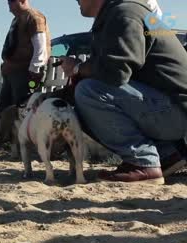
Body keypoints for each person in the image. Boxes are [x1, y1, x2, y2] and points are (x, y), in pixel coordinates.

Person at [60, 0, 187, 184]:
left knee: (89, 92)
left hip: (177, 112)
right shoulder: (120, 13)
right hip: (173, 108)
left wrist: (77, 68)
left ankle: (143, 163)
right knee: (84, 95)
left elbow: (115, 72)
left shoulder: (124, 13)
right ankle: (168, 154)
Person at [0, 0, 51, 114]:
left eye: (11, 2)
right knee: (4, 110)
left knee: (21, 110)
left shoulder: (34, 18)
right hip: (12, 73)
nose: (9, 7)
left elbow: (40, 47)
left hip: (24, 74)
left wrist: (35, 70)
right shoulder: (17, 20)